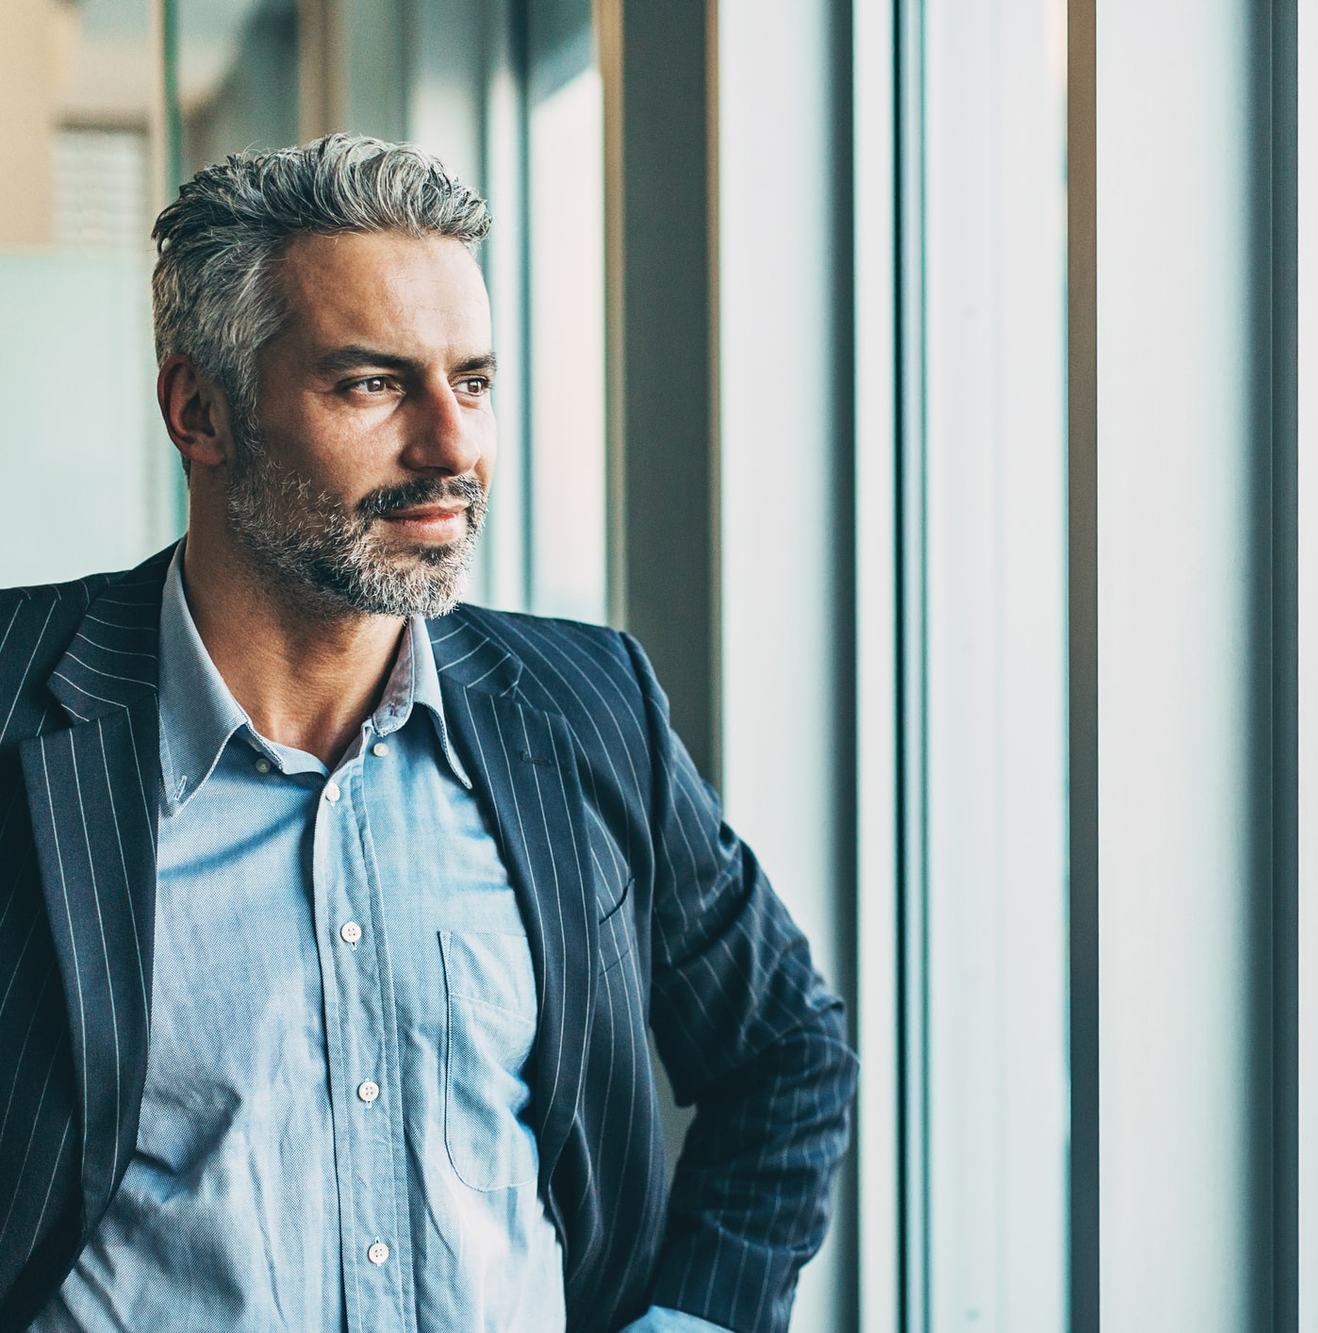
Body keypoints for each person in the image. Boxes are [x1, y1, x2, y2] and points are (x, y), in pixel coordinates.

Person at [0, 133, 856, 1333]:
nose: (451, 448)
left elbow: (783, 1052)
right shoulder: (16, 705)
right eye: (372, 384)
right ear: (200, 411)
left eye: (474, 381)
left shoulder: (587, 705)